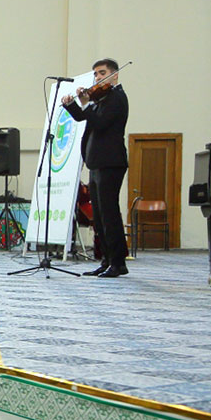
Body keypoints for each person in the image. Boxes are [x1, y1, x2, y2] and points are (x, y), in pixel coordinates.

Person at [63, 58, 130, 278]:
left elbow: (100, 123)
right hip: (97, 163)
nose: (98, 78)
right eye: (96, 74)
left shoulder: (116, 98)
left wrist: (87, 103)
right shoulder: (101, 98)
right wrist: (72, 105)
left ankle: (118, 263)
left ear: (115, 74)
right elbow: (83, 117)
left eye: (102, 73)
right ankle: (106, 260)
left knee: (109, 214)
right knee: (99, 216)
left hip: (111, 162)